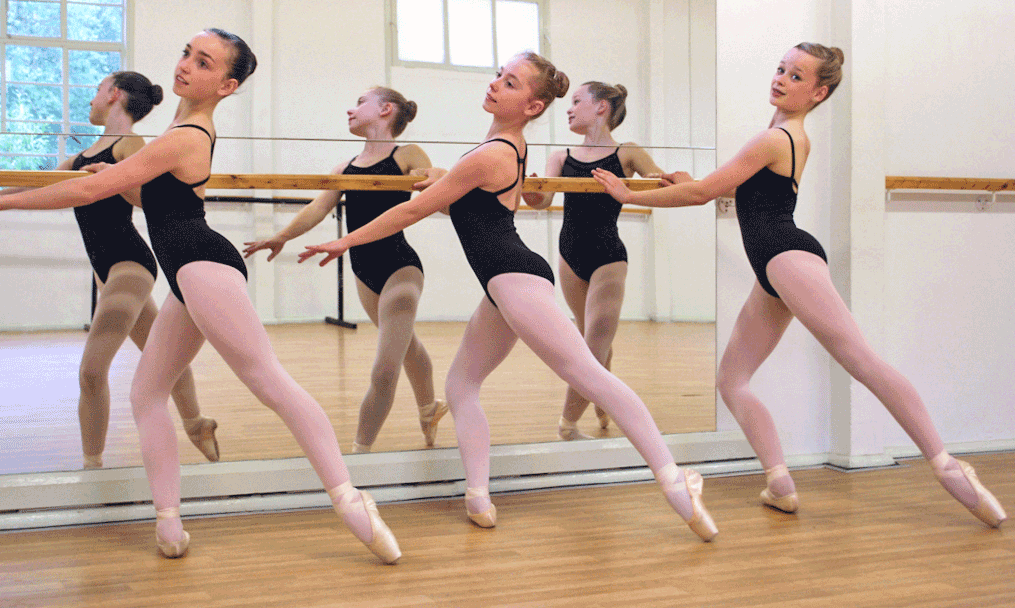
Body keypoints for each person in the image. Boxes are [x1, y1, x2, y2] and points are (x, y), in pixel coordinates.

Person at [0, 29, 402, 562]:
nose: (185, 66)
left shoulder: (188, 133)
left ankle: (352, 502)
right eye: (186, 54)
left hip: (204, 267)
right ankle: (169, 524)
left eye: (203, 63)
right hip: (187, 274)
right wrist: (119, 176)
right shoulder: (178, 132)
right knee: (147, 394)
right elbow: (160, 199)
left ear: (225, 85)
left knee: (270, 383)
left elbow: (88, 192)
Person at [300, 52, 718, 542]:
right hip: (503, 285)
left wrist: (345, 240)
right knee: (460, 386)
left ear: (533, 104)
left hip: (515, 277)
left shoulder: (492, 154)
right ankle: (478, 496)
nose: (496, 84)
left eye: (511, 82)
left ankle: (675, 481)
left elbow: (411, 213)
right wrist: (446, 181)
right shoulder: (506, 147)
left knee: (590, 375)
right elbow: (475, 201)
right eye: (499, 75)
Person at [593, 43, 1007, 528]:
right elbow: (726, 186)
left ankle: (949, 467)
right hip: (774, 267)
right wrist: (686, 181)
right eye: (781, 69)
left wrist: (627, 194)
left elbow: (706, 194)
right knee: (732, 380)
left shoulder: (778, 137)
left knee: (862, 362)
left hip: (790, 258)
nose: (782, 79)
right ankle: (780, 482)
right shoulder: (779, 136)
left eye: (796, 76)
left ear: (819, 91)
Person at [0, 71, 220, 470]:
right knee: (162, 352)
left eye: (98, 90)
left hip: (129, 267)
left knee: (91, 372)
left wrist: (110, 181)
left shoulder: (129, 144)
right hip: (109, 272)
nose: (92, 98)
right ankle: (197, 422)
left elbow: (150, 199)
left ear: (114, 94)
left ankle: (92, 467)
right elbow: (33, 186)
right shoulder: (85, 155)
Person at [243, 88, 447, 453]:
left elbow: (431, 187)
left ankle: (359, 453)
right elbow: (318, 208)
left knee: (385, 369)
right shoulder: (344, 167)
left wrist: (435, 176)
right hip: (363, 272)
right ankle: (430, 409)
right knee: (406, 345)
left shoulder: (407, 153)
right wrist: (281, 237)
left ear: (385, 110)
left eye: (359, 103)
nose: (349, 110)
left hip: (401, 268)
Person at [522, 81, 665, 440]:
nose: (568, 109)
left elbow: (657, 182)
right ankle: (603, 398)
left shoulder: (627, 152)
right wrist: (532, 189)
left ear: (601, 107)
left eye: (576, 101)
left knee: (595, 341)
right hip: (570, 257)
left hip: (608, 257)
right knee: (593, 337)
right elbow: (539, 202)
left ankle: (567, 424)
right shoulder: (561, 156)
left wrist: (640, 185)